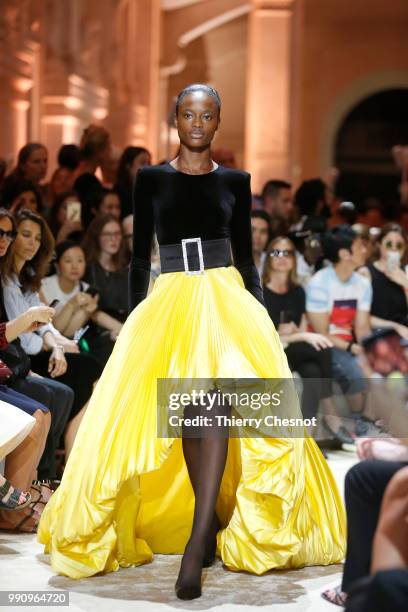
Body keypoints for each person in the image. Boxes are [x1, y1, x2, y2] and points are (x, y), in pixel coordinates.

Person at [38, 84, 346, 600]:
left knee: (219, 407)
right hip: (172, 300)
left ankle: (197, 541)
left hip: (227, 301)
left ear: (218, 121)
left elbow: (247, 259)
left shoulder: (237, 181)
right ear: (173, 119)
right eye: (187, 114)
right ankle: (202, 537)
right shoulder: (152, 179)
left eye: (206, 115)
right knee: (186, 411)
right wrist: (137, 323)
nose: (196, 123)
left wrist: (261, 317)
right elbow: (139, 260)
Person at [1, 209, 102, 459]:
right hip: (21, 356)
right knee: (86, 371)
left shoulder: (29, 276)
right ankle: (68, 458)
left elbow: (45, 324)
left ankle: (68, 458)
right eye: (24, 235)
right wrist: (54, 345)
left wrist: (58, 345)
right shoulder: (6, 278)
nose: (32, 243)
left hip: (31, 351)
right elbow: (23, 332)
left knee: (90, 370)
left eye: (37, 238)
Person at [262, 237, 345, 441]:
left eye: (287, 253)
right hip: (268, 351)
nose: (282, 258)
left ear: (294, 259)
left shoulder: (298, 291)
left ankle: (306, 437)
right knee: (322, 348)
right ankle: (330, 410)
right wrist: (302, 334)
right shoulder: (260, 291)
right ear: (268, 259)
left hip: (290, 347)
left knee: (313, 372)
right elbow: (262, 334)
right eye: (276, 253)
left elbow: (294, 329)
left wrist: (294, 333)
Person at [360, 223, 408, 337]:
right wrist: (395, 327)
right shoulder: (366, 273)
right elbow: (361, 317)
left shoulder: (406, 271)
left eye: (399, 245)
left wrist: (405, 284)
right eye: (389, 243)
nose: (394, 248)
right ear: (379, 244)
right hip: (379, 333)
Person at [115, 146, 151, 218]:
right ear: (128, 166)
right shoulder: (118, 192)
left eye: (149, 163)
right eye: (142, 163)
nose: (147, 167)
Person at [250, 210, 272, 277]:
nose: (257, 236)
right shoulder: (228, 264)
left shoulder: (273, 263)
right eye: (252, 230)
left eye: (263, 231)